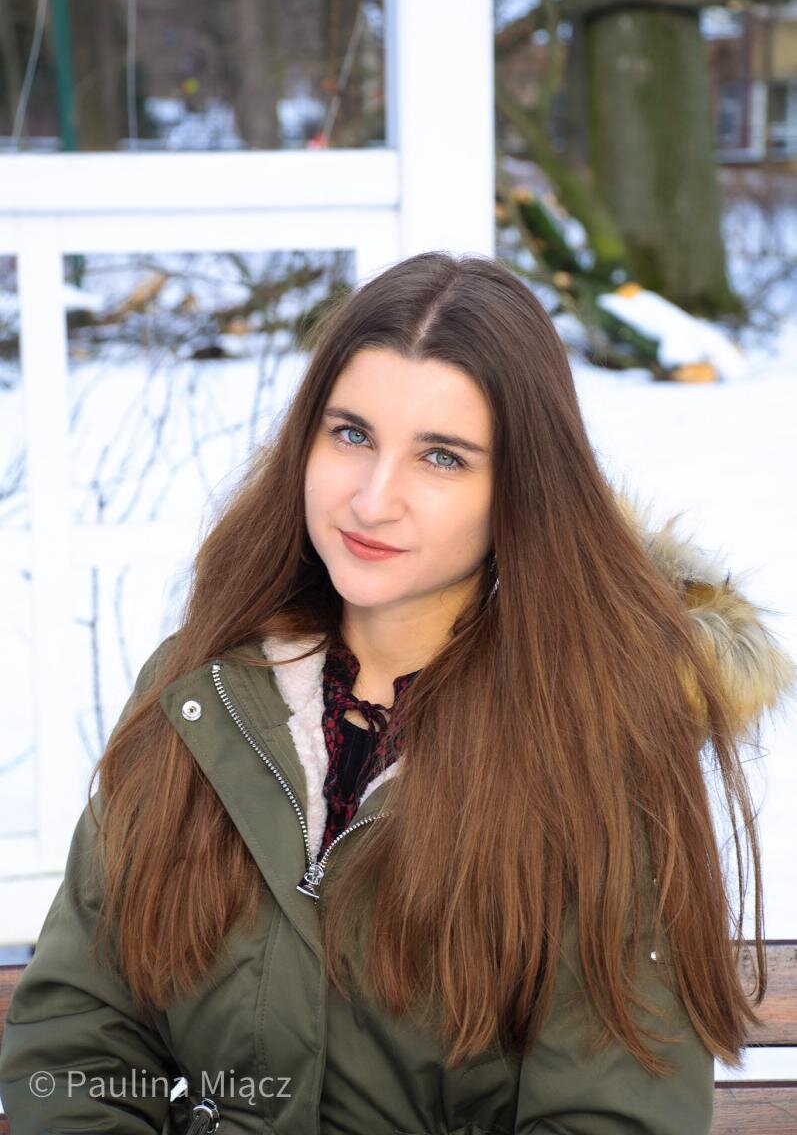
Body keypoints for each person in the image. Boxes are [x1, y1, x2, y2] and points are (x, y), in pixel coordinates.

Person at [0, 252, 794, 1135]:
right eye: (351, 435)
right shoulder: (198, 692)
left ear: (520, 490)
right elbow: (79, 1035)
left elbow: (609, 1115)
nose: (373, 500)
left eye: (441, 457)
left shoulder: (593, 746)